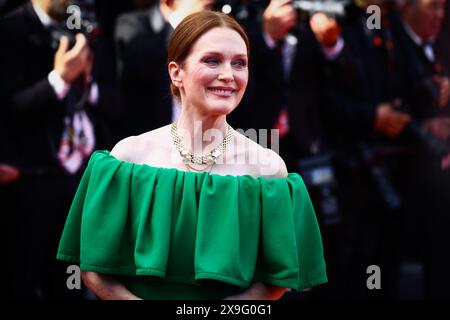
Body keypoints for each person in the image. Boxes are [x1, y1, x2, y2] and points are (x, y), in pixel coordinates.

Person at [57, 11, 328, 300]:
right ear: (176, 72)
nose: (229, 74)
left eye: (239, 63)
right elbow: (95, 270)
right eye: (212, 60)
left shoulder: (268, 169)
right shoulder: (128, 157)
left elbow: (275, 281)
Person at [0, 0, 114, 299]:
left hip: (83, 182)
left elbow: (120, 99)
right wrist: (59, 79)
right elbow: (8, 109)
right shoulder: (9, 29)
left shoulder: (91, 29)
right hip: (30, 182)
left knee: (72, 285)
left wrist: (88, 82)